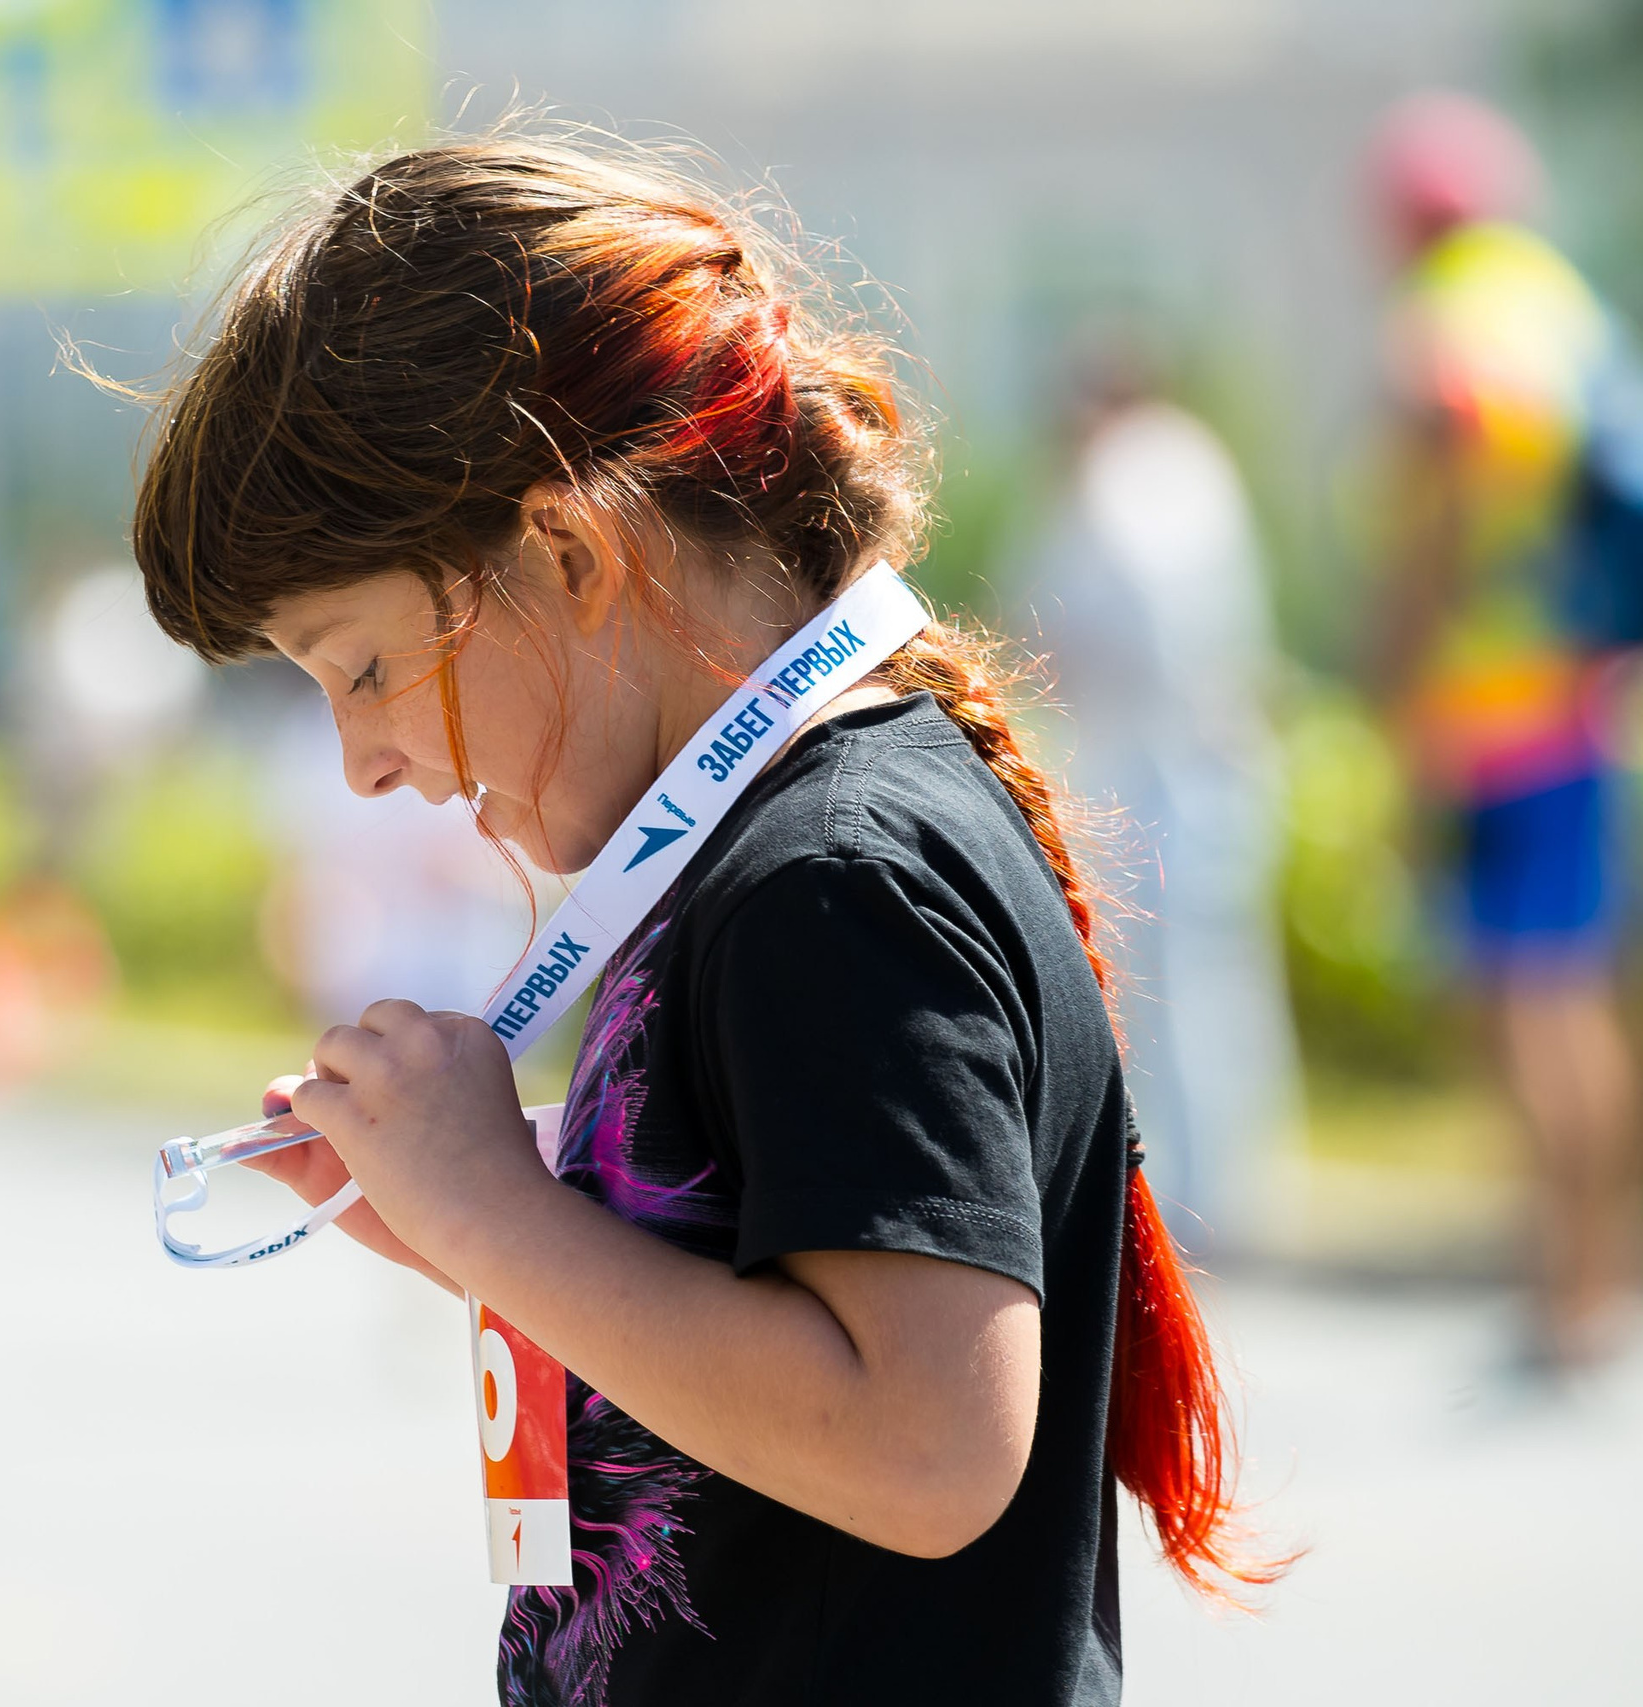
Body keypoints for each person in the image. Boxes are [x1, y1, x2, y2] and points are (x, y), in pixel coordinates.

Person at [127, 136, 1279, 1705]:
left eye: (363, 665)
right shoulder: (748, 862)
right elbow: (762, 1346)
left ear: (568, 550)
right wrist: (482, 1227)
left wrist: (498, 1216)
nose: (364, 761)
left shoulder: (833, 877)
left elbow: (928, 1441)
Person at [1369, 91, 1638, 1372]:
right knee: (1574, 997)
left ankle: (1564, 1293)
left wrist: (1400, 664)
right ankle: (1596, 1274)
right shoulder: (1559, 302)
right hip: (1580, 696)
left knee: (1528, 1007)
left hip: (1491, 714)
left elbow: (1443, 500)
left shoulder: (1450, 321)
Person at [1015, 354, 1300, 1247]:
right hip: (1206, 760)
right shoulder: (1191, 466)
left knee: (1166, 987)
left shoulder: (1126, 477)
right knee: (1217, 978)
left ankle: (1196, 1198)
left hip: (1154, 770)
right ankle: (1231, 1186)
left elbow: (1069, 625)